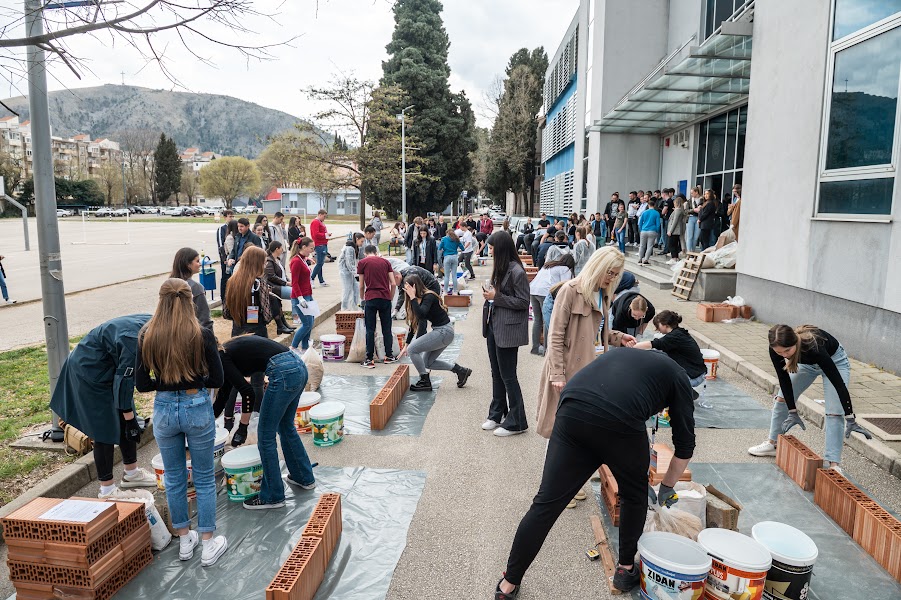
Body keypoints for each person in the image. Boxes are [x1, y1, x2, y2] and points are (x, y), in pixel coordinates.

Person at [495, 348, 695, 598]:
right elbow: (686, 445)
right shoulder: (679, 377)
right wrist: (666, 486)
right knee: (634, 495)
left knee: (545, 505)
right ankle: (625, 569)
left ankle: (508, 584)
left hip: (572, 409)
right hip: (620, 418)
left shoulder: (631, 356)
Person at [136, 279, 226, 567]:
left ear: (160, 301)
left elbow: (141, 383)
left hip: (164, 407)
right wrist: (192, 380)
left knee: (174, 479)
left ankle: (185, 540)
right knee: (203, 477)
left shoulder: (147, 334)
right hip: (196, 405)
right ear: (190, 301)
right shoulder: (201, 333)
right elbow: (218, 379)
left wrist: (164, 382)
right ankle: (209, 542)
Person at [50, 315, 158, 500]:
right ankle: (107, 490)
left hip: (110, 367)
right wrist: (130, 418)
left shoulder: (157, 326)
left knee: (125, 418)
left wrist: (129, 418)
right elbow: (125, 381)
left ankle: (131, 474)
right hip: (89, 371)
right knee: (105, 428)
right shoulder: (134, 341)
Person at [748, 325, 872, 472]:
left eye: (787, 351)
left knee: (834, 412)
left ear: (795, 342)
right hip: (807, 365)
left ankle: (833, 464)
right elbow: (784, 379)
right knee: (782, 399)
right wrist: (792, 411)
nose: (784, 355)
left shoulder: (814, 347)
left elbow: (838, 384)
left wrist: (850, 417)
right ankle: (772, 443)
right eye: (779, 352)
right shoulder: (777, 349)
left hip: (835, 362)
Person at [214, 335, 316, 509]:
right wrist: (208, 424)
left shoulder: (222, 357)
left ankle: (273, 496)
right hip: (298, 366)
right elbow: (223, 395)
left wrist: (243, 427)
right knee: (285, 427)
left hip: (283, 372)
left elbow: (247, 393)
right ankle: (303, 477)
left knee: (265, 436)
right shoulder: (228, 351)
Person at [481, 232, 530, 437]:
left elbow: (523, 302)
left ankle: (517, 421)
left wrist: (496, 297)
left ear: (500, 249)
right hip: (494, 325)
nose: (489, 251)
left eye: (492, 248)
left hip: (508, 330)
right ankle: (496, 414)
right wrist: (490, 294)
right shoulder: (500, 269)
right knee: (496, 373)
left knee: (508, 376)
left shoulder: (517, 271)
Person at [398, 274, 472, 391]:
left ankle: (424, 381)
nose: (406, 292)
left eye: (408, 288)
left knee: (413, 349)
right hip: (441, 331)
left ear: (414, 286)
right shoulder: (416, 300)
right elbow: (414, 324)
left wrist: (412, 298)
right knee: (427, 362)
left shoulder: (429, 296)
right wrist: (406, 345)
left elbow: (422, 314)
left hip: (444, 331)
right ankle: (460, 371)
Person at [634, 310, 707, 389]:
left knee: (658, 379)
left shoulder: (674, 337)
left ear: (664, 324)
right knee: (658, 356)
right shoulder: (679, 333)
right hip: (698, 373)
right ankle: (682, 391)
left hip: (693, 377)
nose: (657, 329)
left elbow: (653, 344)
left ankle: (681, 392)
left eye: (658, 326)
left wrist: (630, 347)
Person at [358, 244, 398, 368]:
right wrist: (390, 298)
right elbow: (393, 283)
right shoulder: (385, 262)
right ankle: (389, 356)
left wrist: (362, 298)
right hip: (385, 298)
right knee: (387, 328)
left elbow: (361, 285)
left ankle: (369, 359)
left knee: (370, 329)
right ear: (376, 252)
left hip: (371, 298)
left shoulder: (362, 263)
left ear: (365, 253)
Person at [528, 255, 575, 356]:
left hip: (533, 290)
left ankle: (535, 347)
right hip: (545, 292)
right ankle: (546, 350)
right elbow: (565, 285)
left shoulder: (548, 265)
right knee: (546, 321)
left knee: (537, 319)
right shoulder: (565, 269)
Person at [170, 247, 214, 331]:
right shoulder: (195, 287)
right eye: (197, 261)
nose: (200, 264)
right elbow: (204, 319)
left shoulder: (169, 284)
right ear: (188, 264)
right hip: (191, 334)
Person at [289, 238, 317, 353]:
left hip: (307, 295)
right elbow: (294, 282)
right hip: (300, 297)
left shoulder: (302, 259)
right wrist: (300, 298)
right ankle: (293, 347)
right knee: (306, 324)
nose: (312, 250)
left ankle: (305, 347)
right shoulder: (296, 261)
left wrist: (308, 259)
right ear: (304, 247)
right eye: (311, 248)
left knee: (310, 322)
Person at [264, 241, 297, 335]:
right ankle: (296, 318)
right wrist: (286, 283)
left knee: (294, 294)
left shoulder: (276, 259)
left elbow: (282, 274)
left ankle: (284, 324)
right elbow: (271, 276)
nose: (283, 250)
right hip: (275, 288)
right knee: (295, 294)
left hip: (280, 285)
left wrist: (288, 281)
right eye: (281, 248)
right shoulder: (269, 261)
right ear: (277, 249)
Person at [339, 233, 364, 310]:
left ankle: (355, 305)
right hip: (345, 271)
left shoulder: (356, 248)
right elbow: (349, 263)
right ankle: (344, 307)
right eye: (361, 241)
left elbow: (355, 261)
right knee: (347, 289)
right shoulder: (349, 248)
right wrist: (356, 274)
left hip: (352, 272)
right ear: (357, 239)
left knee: (356, 288)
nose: (362, 243)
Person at [438, 228, 465, 295]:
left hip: (447, 257)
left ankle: (445, 291)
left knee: (447, 276)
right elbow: (463, 248)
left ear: (447, 233)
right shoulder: (456, 239)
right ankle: (455, 291)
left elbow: (439, 248)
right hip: (455, 257)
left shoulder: (444, 239)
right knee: (454, 275)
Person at [309, 209, 331, 287]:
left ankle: (321, 280)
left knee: (320, 263)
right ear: (320, 215)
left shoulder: (320, 222)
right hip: (319, 244)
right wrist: (325, 235)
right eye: (324, 216)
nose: (324, 218)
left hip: (323, 243)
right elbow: (315, 234)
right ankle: (311, 278)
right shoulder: (315, 222)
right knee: (320, 263)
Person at [637, 198, 661, 265]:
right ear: (654, 205)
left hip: (644, 230)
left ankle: (640, 259)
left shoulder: (644, 212)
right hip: (652, 230)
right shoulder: (657, 213)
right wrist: (657, 231)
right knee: (649, 246)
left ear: (648, 205)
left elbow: (640, 223)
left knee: (642, 245)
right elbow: (658, 224)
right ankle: (646, 259)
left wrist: (641, 229)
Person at [666, 195, 687, 264]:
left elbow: (675, 221)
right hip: (676, 230)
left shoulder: (678, 210)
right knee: (674, 244)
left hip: (675, 231)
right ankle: (676, 257)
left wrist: (670, 231)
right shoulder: (680, 210)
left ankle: (674, 258)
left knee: (672, 244)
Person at [685, 185, 702, 252]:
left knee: (695, 237)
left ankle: (693, 250)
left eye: (692, 193)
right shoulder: (689, 201)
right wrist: (693, 210)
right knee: (689, 236)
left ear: (696, 192)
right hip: (690, 218)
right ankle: (689, 251)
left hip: (699, 218)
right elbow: (686, 211)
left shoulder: (702, 200)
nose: (691, 194)